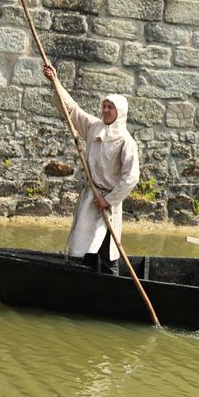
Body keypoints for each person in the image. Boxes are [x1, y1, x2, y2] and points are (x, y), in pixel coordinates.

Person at [43, 64, 139, 276]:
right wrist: (55, 81)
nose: (105, 111)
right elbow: (72, 110)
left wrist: (109, 199)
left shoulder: (126, 141)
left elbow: (131, 176)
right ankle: (86, 281)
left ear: (119, 112)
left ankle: (111, 286)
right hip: (91, 198)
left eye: (110, 108)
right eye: (104, 106)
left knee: (107, 249)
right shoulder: (95, 127)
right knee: (84, 247)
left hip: (106, 203)